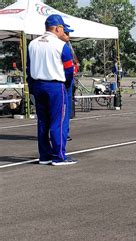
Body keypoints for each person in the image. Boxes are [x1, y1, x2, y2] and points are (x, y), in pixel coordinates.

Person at [27, 14, 76, 166]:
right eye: (62, 28)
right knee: (58, 121)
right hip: (55, 86)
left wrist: (32, 87)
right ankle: (59, 156)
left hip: (37, 85)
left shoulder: (32, 44)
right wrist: (67, 84)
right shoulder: (61, 45)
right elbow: (69, 70)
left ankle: (44, 155)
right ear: (57, 28)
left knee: (42, 122)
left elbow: (29, 69)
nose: (64, 32)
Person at [59, 30, 78, 141]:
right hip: (63, 81)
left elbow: (75, 61)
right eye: (66, 34)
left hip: (67, 81)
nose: (68, 36)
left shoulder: (68, 45)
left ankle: (64, 132)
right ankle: (62, 133)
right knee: (63, 110)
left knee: (66, 110)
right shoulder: (61, 46)